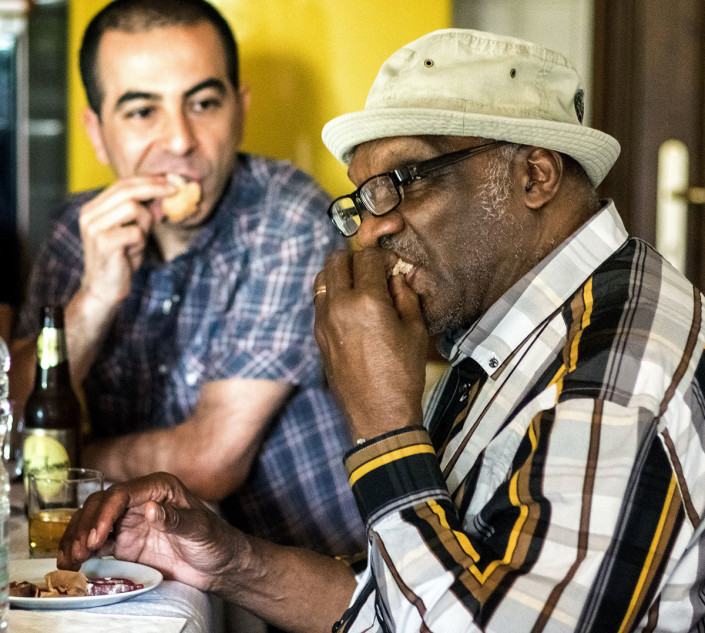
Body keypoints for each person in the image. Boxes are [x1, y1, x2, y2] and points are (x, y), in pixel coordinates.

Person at [59, 28, 705, 633]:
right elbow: (414, 598)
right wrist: (225, 559)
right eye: (363, 199)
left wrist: (383, 427)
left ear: (533, 174)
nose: (370, 231)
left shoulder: (614, 383)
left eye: (401, 181)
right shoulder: (520, 328)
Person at [10, 0, 365, 557]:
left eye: (202, 103)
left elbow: (211, 459)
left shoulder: (289, 218)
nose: (179, 141)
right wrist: (94, 300)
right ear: (97, 131)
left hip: (322, 569)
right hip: (149, 565)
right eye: (141, 111)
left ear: (239, 110)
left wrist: (60, 456)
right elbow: (14, 407)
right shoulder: (74, 231)